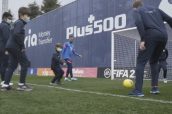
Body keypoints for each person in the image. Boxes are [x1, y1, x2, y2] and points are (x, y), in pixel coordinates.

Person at [129, 0, 172, 97]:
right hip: (163, 36)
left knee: (141, 62)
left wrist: (143, 39)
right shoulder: (156, 9)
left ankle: (138, 91)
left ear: (135, 7)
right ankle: (155, 88)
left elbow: (139, 22)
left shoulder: (136, 11)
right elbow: (170, 19)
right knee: (154, 62)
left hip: (150, 36)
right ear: (142, 4)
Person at [1, 7, 32, 91]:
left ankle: (5, 85)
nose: (29, 17)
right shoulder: (20, 23)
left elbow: (14, 34)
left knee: (12, 65)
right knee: (25, 63)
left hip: (10, 46)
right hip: (15, 46)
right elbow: (16, 34)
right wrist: (22, 46)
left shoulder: (16, 23)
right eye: (27, 15)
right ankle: (21, 85)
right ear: (21, 15)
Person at [0, 12, 13, 86]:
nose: (10, 20)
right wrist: (8, 48)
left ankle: (3, 80)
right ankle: (4, 81)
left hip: (1, 47)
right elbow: (7, 38)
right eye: (9, 18)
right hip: (4, 47)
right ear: (5, 18)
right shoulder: (5, 26)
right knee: (4, 64)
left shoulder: (1, 25)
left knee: (2, 64)